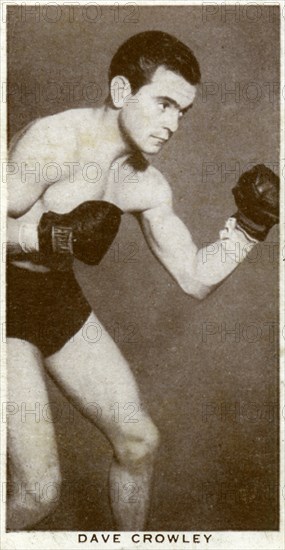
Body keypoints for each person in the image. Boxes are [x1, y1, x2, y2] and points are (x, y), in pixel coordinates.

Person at [6, 30, 279, 531]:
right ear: (120, 92)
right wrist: (45, 235)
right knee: (38, 492)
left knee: (138, 443)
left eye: (182, 112)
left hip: (52, 297)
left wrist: (248, 228)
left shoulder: (144, 184)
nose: (173, 124)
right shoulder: (53, 141)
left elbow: (194, 278)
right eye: (164, 104)